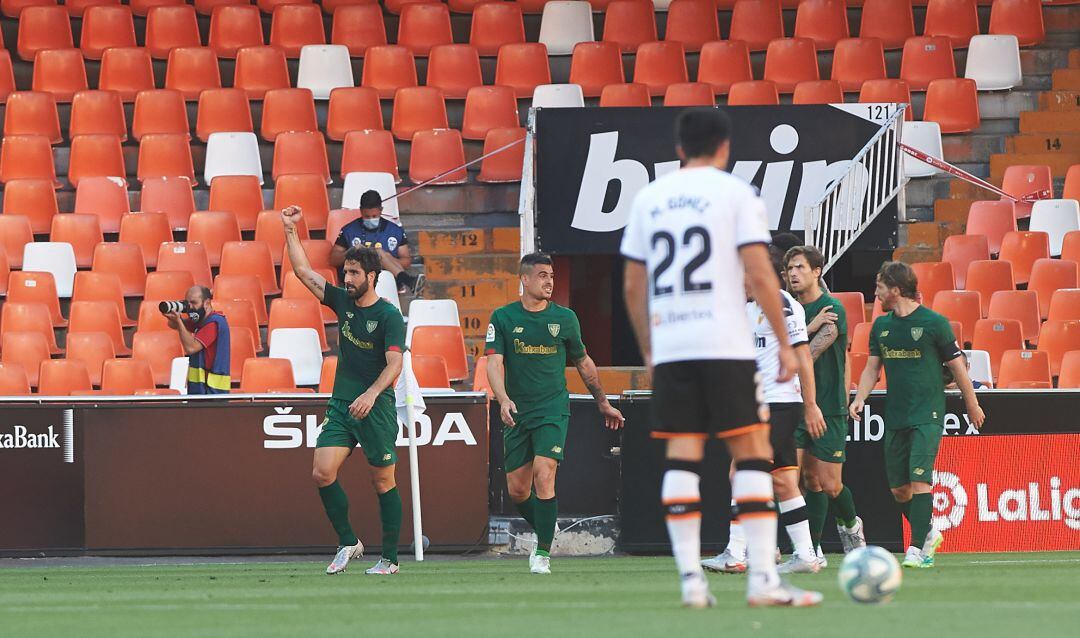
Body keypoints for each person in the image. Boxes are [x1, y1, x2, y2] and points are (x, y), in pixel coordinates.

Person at [621, 107, 822, 609]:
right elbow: (758, 270)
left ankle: (692, 581)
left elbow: (632, 284)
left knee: (683, 457)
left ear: (678, 148)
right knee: (752, 454)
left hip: (674, 348)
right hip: (725, 342)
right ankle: (762, 581)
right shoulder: (736, 194)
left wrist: (650, 350)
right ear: (725, 148)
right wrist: (785, 344)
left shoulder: (649, 198)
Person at [282, 205, 408, 576]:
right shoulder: (342, 301)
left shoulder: (388, 316)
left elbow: (395, 363)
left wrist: (370, 394)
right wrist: (290, 229)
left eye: (353, 273)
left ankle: (390, 560)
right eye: (345, 271)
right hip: (341, 405)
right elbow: (304, 272)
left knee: (383, 480)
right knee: (322, 472)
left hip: (377, 406)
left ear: (372, 276)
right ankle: (348, 541)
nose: (346, 278)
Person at [485, 252, 625, 575]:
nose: (549, 281)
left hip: (552, 409)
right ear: (524, 279)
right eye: (542, 276)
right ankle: (547, 528)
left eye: (552, 276)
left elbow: (584, 362)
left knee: (544, 473)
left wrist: (602, 401)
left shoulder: (565, 319)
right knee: (518, 491)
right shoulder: (503, 318)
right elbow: (493, 364)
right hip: (517, 412)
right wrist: (503, 399)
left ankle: (542, 553)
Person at [849, 261, 986, 568]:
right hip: (896, 415)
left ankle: (916, 550)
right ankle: (928, 532)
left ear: (895, 290)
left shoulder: (934, 323)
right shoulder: (881, 327)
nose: (876, 292)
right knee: (899, 489)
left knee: (920, 480)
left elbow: (956, 368)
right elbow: (873, 368)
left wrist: (972, 403)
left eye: (880, 287)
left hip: (928, 412)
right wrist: (860, 398)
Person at [701, 275, 827, 575]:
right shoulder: (748, 310)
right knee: (783, 480)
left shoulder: (781, 303)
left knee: (742, 470)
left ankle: (735, 553)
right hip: (760, 404)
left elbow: (802, 356)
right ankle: (806, 555)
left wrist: (811, 404)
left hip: (779, 402)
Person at [785, 246, 866, 562]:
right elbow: (782, 357)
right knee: (797, 481)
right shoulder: (786, 310)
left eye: (800, 267)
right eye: (790, 268)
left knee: (829, 484)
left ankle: (850, 526)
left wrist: (813, 327)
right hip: (793, 405)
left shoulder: (832, 309)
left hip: (828, 405)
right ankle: (810, 549)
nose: (793, 273)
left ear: (816, 271)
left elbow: (805, 356)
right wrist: (809, 326)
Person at [330, 190, 423, 295]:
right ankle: (408, 280)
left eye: (374, 216)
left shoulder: (395, 230)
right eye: (367, 217)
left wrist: (384, 263)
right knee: (378, 253)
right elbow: (333, 259)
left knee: (379, 253)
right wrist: (353, 251)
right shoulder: (348, 230)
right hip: (357, 276)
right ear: (361, 211)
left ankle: (404, 279)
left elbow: (406, 260)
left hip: (385, 277)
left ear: (381, 210)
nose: (370, 219)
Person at [163, 286, 230, 394]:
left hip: (212, 393)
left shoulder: (214, 323)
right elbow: (174, 325)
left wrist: (179, 321)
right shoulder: (201, 321)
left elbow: (191, 348)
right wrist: (173, 315)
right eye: (187, 303)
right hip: (199, 391)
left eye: (194, 302)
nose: (190, 307)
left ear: (207, 303)